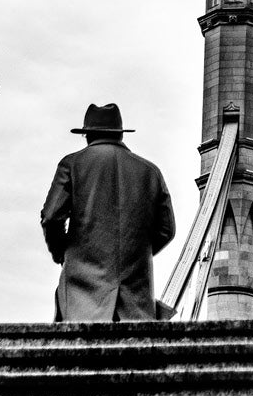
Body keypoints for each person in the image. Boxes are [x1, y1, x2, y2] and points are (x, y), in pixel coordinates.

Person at [40, 103, 176, 323]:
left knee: (78, 354)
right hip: (135, 300)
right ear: (121, 134)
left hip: (82, 295)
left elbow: (51, 217)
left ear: (87, 135)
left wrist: (62, 253)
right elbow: (166, 230)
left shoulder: (72, 164)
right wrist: (135, 254)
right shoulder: (151, 172)